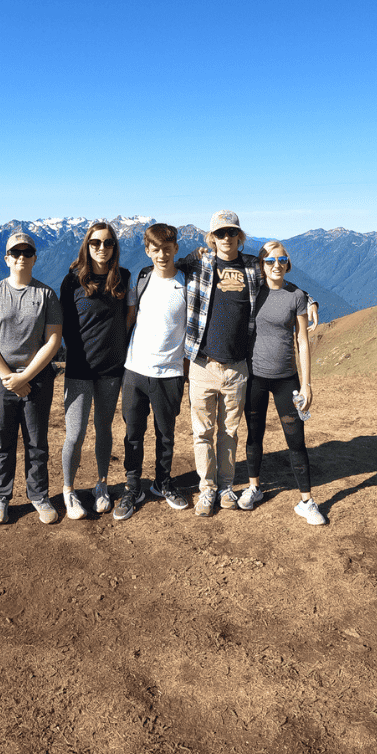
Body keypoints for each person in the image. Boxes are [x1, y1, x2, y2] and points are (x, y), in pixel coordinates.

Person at [180, 209, 265, 517]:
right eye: (220, 233)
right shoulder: (198, 262)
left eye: (231, 233)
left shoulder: (254, 266)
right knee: (202, 432)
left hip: (238, 366)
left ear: (240, 236)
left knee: (229, 432)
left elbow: (280, 284)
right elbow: (164, 265)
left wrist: (308, 302)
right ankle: (207, 489)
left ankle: (226, 486)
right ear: (210, 237)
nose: (226, 238)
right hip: (204, 364)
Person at [0, 230, 62, 526]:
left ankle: (38, 495)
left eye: (27, 253)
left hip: (37, 379)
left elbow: (52, 341)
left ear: (35, 258)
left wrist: (26, 376)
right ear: (7, 259)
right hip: (1, 380)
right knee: (1, 439)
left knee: (37, 441)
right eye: (15, 253)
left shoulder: (47, 295)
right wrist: (9, 377)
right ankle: (1, 497)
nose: (21, 257)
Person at [240, 240, 325, 524]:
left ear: (288, 263)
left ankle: (306, 501)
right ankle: (254, 488)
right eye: (270, 260)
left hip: (286, 379)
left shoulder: (296, 295)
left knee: (296, 439)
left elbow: (302, 340)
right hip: (254, 376)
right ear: (261, 263)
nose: (277, 265)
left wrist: (307, 384)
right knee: (254, 434)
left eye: (282, 259)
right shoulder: (251, 291)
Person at [115, 223, 189, 521]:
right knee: (133, 434)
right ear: (147, 250)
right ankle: (132, 486)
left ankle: (162, 482)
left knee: (166, 434)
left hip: (170, 373)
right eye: (155, 249)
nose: (162, 254)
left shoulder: (188, 282)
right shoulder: (140, 277)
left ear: (176, 249)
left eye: (167, 248)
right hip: (134, 370)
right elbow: (130, 319)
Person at [60, 222, 132, 519]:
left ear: (115, 246)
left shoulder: (124, 277)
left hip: (111, 369)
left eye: (108, 243)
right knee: (75, 434)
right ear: (87, 246)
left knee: (104, 429)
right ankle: (68, 489)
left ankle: (101, 484)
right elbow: (62, 326)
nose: (102, 248)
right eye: (96, 243)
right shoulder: (72, 281)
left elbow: (129, 318)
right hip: (79, 369)